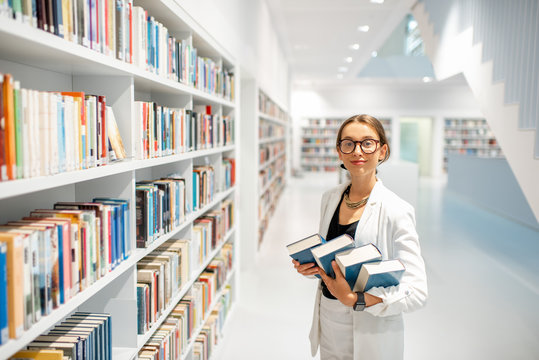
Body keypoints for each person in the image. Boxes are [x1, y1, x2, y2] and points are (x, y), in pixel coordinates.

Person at [292, 114, 428, 360]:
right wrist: (314, 269)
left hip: (371, 328)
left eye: (367, 142)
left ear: (382, 151)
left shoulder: (397, 210)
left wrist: (356, 299)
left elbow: (416, 291)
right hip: (329, 321)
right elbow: (336, 264)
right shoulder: (330, 198)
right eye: (348, 143)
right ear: (339, 151)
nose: (357, 151)